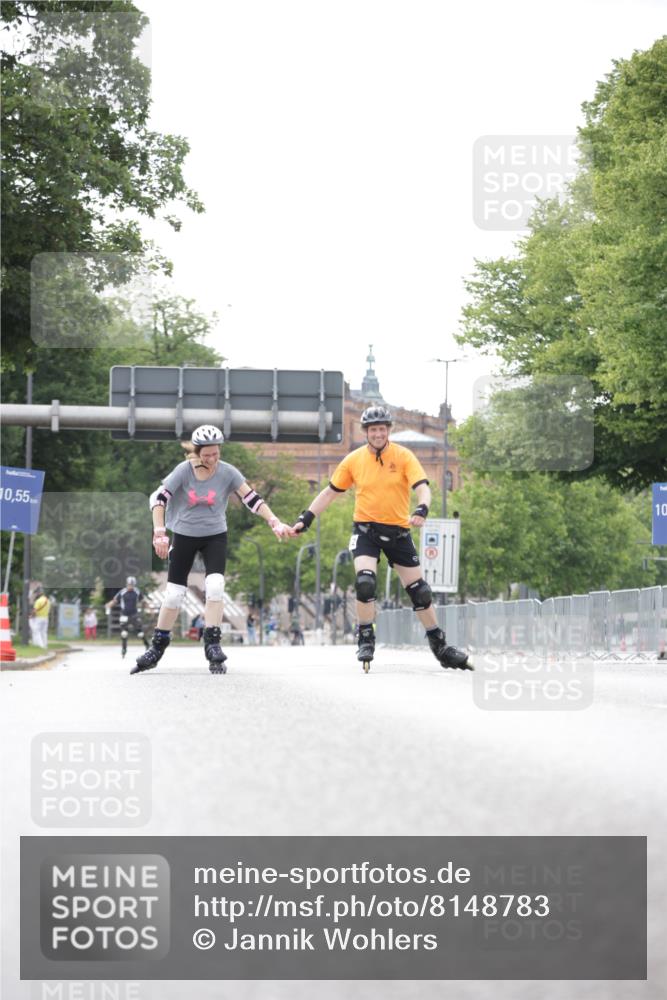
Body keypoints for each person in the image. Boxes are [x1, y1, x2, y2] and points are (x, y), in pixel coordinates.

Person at [290, 404, 472, 671]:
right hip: (366, 531)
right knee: (365, 583)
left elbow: (423, 487)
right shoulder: (353, 460)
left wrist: (422, 508)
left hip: (398, 532)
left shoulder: (404, 456)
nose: (378, 434)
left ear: (388, 431)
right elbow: (329, 492)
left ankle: (440, 646)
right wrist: (305, 519)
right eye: (373, 430)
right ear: (366, 432)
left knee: (420, 592)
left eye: (382, 429)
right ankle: (365, 636)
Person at [133, 424, 291, 675]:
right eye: (207, 455)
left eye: (216, 453)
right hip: (184, 535)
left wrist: (274, 521)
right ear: (196, 453)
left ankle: (213, 644)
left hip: (215, 535)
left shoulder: (228, 472)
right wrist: (159, 533)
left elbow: (252, 499)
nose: (212, 459)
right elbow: (160, 499)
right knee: (174, 593)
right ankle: (157, 647)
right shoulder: (184, 471)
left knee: (216, 586)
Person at [105, 577, 149, 658]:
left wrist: (148, 608)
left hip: (134, 615)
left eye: (132, 585)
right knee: (124, 633)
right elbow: (115, 601)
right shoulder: (122, 592)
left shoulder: (137, 592)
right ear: (126, 584)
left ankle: (147, 645)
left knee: (140, 633)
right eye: (129, 585)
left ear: (134, 585)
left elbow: (143, 601)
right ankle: (124, 649)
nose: (130, 586)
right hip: (124, 615)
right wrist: (109, 605)